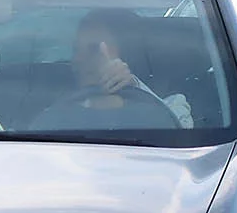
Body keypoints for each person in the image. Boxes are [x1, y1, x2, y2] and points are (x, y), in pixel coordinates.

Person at [32, 9, 192, 129]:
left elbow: (177, 126)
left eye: (94, 50)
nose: (77, 59)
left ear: (127, 55)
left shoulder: (172, 107)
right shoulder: (51, 111)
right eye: (76, 50)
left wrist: (133, 85)